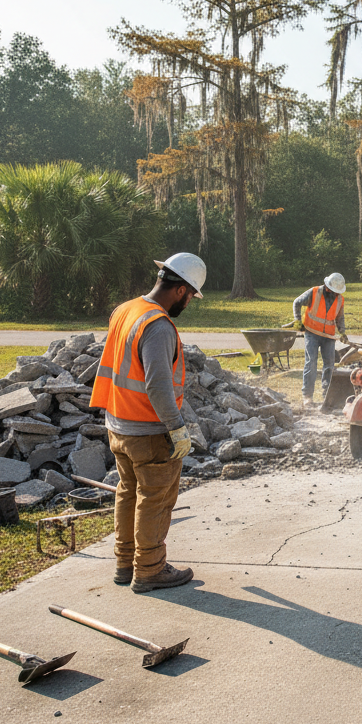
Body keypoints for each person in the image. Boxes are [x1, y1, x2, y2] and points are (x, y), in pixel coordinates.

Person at [90, 252, 205, 593]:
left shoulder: (126, 310)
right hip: (149, 429)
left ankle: (126, 564)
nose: (188, 303)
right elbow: (157, 385)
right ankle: (150, 569)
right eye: (190, 296)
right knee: (155, 498)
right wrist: (177, 428)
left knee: (128, 493)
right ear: (181, 290)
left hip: (118, 424)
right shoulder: (158, 326)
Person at [293, 273, 349, 406]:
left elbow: (340, 317)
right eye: (333, 291)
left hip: (328, 336)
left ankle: (327, 396)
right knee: (311, 362)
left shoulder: (340, 299)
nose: (335, 294)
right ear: (328, 286)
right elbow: (297, 302)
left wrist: (342, 332)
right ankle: (307, 396)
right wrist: (297, 321)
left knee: (329, 365)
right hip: (311, 333)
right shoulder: (314, 292)